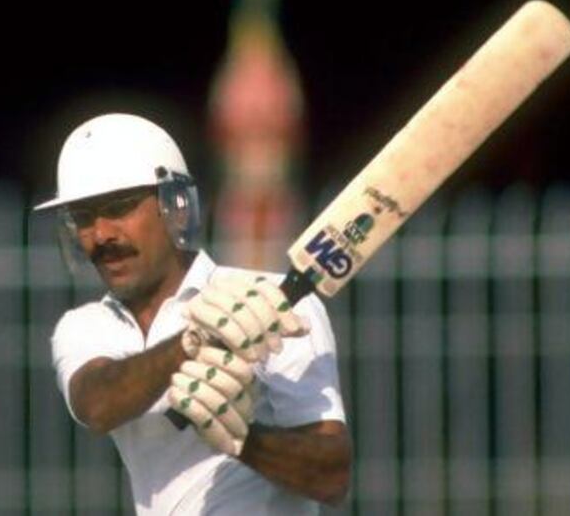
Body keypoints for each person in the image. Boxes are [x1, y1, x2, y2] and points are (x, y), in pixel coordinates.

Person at [35, 113, 351, 515]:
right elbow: (97, 403)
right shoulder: (84, 327)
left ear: (176, 207)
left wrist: (242, 439)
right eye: (83, 217)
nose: (101, 234)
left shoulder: (271, 302)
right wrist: (193, 342)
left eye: (119, 207)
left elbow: (331, 477)